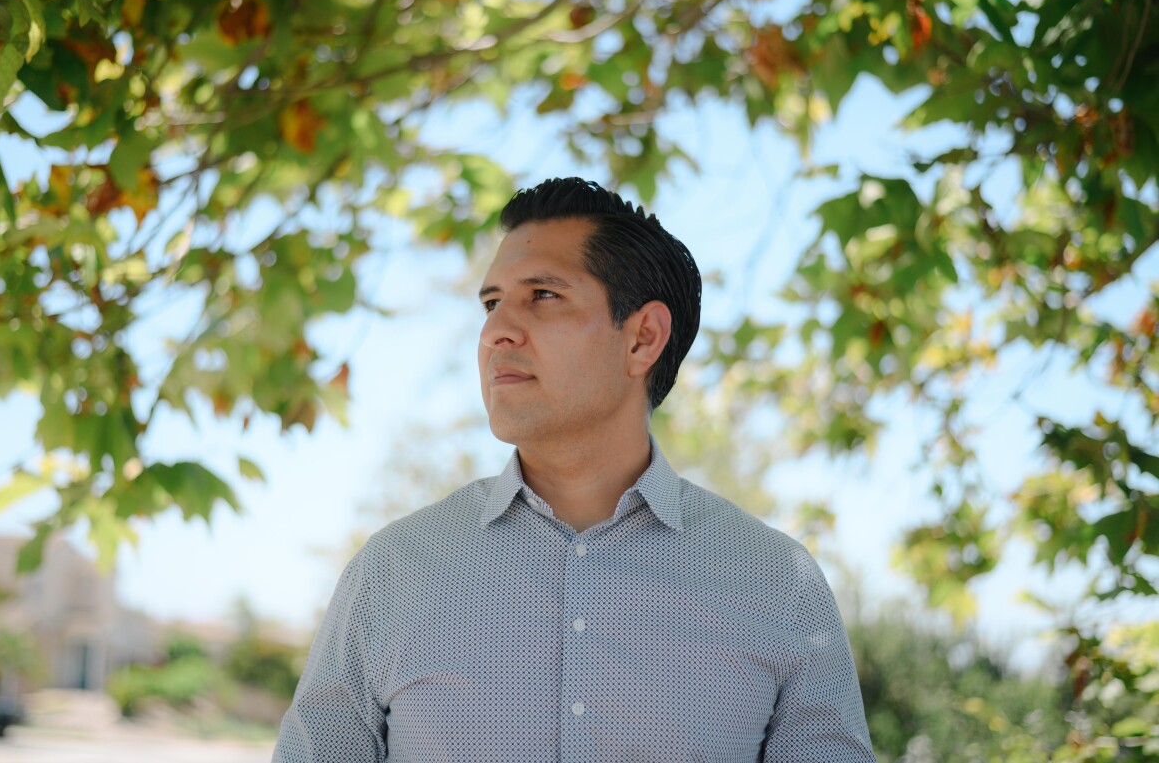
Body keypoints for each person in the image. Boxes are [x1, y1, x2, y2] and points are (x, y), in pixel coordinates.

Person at [272, 177, 875, 762]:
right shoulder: (393, 573)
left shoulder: (776, 587)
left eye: (543, 295)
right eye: (491, 302)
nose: (496, 332)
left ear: (642, 338)